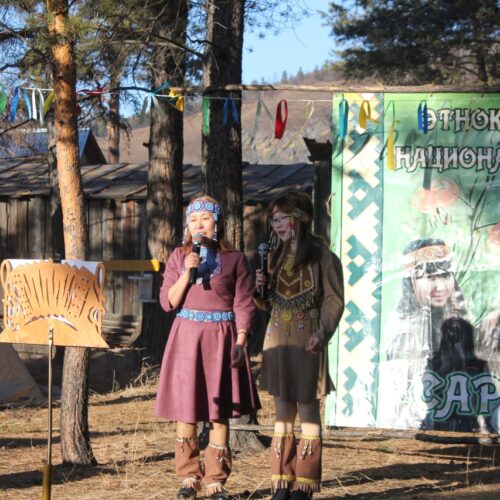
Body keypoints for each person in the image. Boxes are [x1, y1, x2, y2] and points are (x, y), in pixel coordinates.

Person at [155, 195, 261, 500]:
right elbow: (168, 302)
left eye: (205, 219)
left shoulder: (235, 259)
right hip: (187, 338)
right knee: (186, 409)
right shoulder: (179, 256)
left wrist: (241, 340)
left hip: (222, 338)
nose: (199, 224)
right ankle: (188, 477)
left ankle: (215, 480)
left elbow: (244, 303)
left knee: (219, 412)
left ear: (217, 224)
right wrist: (187, 273)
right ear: (187, 226)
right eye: (193, 220)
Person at [254, 191, 344, 500]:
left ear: (300, 219)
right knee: (282, 409)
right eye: (274, 219)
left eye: (282, 218)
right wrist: (260, 289)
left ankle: (304, 483)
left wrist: (323, 332)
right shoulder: (274, 256)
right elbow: (267, 304)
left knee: (306, 406)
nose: (276, 225)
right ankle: (282, 481)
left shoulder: (323, 257)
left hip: (308, 337)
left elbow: (333, 301)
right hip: (278, 336)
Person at [381, 238, 469, 430]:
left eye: (445, 275)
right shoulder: (404, 329)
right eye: (430, 277)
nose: (440, 286)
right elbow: (404, 396)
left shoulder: (455, 319)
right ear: (412, 281)